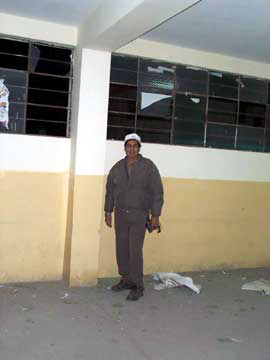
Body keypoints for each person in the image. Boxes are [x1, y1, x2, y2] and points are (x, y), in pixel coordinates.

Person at [104, 133, 164, 301]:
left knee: (135, 250)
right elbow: (110, 191)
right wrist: (108, 211)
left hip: (139, 214)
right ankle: (126, 280)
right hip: (121, 214)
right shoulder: (117, 167)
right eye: (128, 145)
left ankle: (138, 285)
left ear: (139, 148)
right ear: (125, 148)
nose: (131, 148)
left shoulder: (148, 167)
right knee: (121, 248)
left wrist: (155, 215)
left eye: (135, 146)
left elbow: (157, 191)